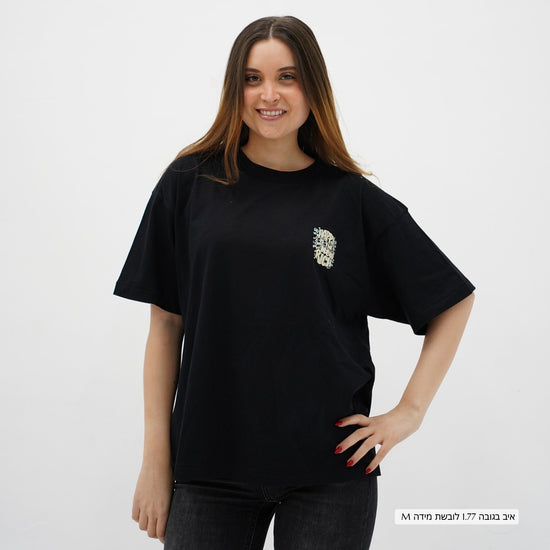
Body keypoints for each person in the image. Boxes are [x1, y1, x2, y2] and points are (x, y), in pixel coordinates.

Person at [114, 15, 475, 550]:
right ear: (234, 88)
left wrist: (408, 414)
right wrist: (154, 461)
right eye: (252, 79)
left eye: (287, 77)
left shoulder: (350, 199)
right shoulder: (190, 182)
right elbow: (166, 325)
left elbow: (452, 299)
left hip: (330, 471)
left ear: (313, 87)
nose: (269, 95)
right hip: (209, 465)